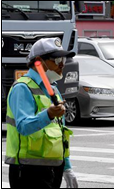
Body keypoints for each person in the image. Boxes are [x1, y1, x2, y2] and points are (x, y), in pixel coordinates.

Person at [5, 37, 78, 188]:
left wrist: (67, 166)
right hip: (28, 170)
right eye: (57, 60)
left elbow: (60, 132)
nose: (62, 65)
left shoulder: (54, 89)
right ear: (39, 61)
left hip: (54, 167)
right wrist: (48, 114)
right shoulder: (22, 88)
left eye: (63, 59)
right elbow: (23, 126)